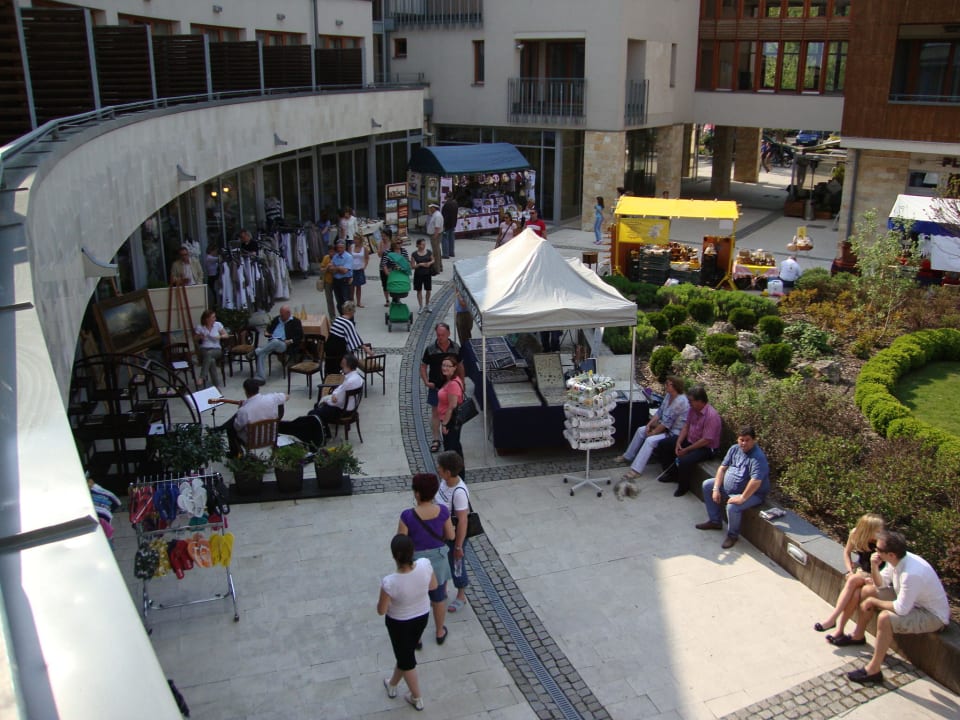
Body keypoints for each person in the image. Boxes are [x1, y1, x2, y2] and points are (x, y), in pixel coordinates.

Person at [840, 531, 950, 685]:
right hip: (912, 602)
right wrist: (874, 566)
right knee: (868, 590)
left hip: (932, 616)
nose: (875, 551)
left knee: (885, 618)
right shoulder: (898, 560)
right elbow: (881, 583)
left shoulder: (911, 574)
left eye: (878, 550)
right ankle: (858, 636)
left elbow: (901, 609)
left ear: (890, 554)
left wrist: (873, 601)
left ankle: (873, 670)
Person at [378, 534, 436, 712]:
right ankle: (392, 684)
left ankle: (416, 697)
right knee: (406, 654)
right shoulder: (425, 565)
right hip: (422, 616)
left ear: (394, 556)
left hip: (399, 622)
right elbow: (433, 586)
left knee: (407, 660)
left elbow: (381, 610)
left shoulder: (390, 582)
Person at [397, 473, 455, 646]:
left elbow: (401, 542)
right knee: (438, 598)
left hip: (416, 564)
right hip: (438, 562)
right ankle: (439, 631)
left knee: (416, 601)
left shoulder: (407, 515)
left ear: (416, 493)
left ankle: (417, 637)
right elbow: (450, 535)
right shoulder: (443, 511)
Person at [695, 425, 769, 549]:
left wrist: (742, 498)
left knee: (733, 506)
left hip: (752, 494)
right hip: (729, 487)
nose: (744, 443)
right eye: (741, 440)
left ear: (754, 440)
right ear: (737, 440)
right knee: (707, 484)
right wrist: (716, 489)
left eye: (747, 440)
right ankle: (715, 521)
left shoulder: (758, 457)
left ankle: (732, 535)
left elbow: (755, 482)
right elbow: (722, 468)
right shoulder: (734, 449)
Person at [814, 513, 886, 635]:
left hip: (878, 575)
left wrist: (862, 577)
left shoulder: (883, 542)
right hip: (863, 571)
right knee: (855, 593)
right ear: (868, 530)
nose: (880, 533)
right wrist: (850, 571)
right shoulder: (855, 533)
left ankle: (832, 618)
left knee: (852, 581)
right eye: (877, 531)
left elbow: (886, 567)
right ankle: (839, 630)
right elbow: (847, 553)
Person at [616, 375, 688, 480]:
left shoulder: (680, 402)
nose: (665, 385)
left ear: (675, 386)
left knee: (650, 440)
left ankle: (636, 470)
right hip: (664, 426)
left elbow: (666, 424)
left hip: (675, 433)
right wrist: (649, 425)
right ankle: (628, 456)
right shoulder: (669, 396)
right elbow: (659, 412)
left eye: (668, 384)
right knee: (641, 430)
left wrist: (653, 433)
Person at [658, 384, 722, 497]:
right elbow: (686, 426)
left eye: (691, 401)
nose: (689, 403)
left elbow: (706, 440)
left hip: (706, 448)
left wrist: (686, 450)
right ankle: (671, 474)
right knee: (664, 444)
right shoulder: (692, 410)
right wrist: (678, 442)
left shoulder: (711, 416)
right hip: (691, 440)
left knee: (685, 461)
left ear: (700, 401)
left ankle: (683, 487)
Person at [435, 451, 470, 614]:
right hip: (442, 533)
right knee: (442, 563)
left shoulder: (459, 492)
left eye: (440, 469)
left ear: (448, 472)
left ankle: (461, 595)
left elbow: (463, 520)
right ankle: (443, 588)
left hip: (454, 536)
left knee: (457, 566)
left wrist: (458, 546)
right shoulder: (445, 483)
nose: (438, 470)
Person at [421, 323, 461, 453]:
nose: (440, 337)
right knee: (436, 413)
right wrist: (426, 381)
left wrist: (462, 383)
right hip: (436, 387)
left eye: (442, 335)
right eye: (438, 335)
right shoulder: (431, 348)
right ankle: (436, 439)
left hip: (451, 387)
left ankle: (449, 435)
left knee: (451, 410)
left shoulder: (455, 347)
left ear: (449, 334)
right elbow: (423, 366)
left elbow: (460, 366)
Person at [222, 377, 287, 457]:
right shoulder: (271, 398)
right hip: (271, 437)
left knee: (230, 428)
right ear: (258, 389)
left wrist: (242, 408)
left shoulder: (244, 410)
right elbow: (286, 397)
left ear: (246, 391)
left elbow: (237, 427)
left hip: (251, 441)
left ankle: (236, 453)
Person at [311, 354, 363, 441]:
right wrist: (334, 395)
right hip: (348, 407)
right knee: (317, 406)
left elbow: (337, 401)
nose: (341, 366)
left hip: (342, 410)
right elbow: (339, 390)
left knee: (313, 413)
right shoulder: (357, 377)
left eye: (343, 364)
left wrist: (326, 400)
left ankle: (320, 437)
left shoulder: (349, 382)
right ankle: (326, 432)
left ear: (348, 366)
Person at [250, 305, 303, 381]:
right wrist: (267, 332)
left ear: (288, 313)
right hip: (272, 342)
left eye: (283, 315)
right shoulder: (277, 319)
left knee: (274, 342)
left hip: (283, 344)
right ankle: (260, 377)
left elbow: (299, 336)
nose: (281, 317)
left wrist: (290, 341)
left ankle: (256, 351)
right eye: (280, 314)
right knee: (262, 353)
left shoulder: (295, 321)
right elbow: (269, 329)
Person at [438, 357, 465, 462]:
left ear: (454, 368)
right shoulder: (449, 380)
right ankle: (457, 473)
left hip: (451, 421)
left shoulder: (453, 384)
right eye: (443, 365)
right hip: (449, 419)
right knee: (455, 447)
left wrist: (444, 424)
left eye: (448, 366)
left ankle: (454, 473)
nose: (445, 368)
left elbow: (452, 406)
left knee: (451, 449)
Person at [194, 309, 229, 388]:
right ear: (207, 319)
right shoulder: (200, 327)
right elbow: (195, 339)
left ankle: (201, 377)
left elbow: (226, 335)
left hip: (216, 349)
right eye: (213, 317)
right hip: (204, 349)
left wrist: (219, 336)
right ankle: (216, 386)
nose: (215, 319)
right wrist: (200, 337)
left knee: (209, 354)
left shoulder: (218, 325)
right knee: (211, 360)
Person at [410, 237, 434, 314]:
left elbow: (433, 260)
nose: (424, 246)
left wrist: (429, 263)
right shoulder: (414, 254)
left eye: (424, 244)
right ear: (418, 245)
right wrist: (420, 264)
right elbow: (412, 266)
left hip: (427, 274)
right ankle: (421, 306)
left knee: (428, 290)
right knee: (419, 290)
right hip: (418, 274)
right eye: (422, 244)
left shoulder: (428, 252)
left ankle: (427, 304)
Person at [330, 238, 353, 315]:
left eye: (341, 247)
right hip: (336, 281)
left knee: (346, 302)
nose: (339, 249)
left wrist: (336, 268)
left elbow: (345, 271)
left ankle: (349, 319)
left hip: (345, 281)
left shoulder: (348, 257)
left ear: (344, 248)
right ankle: (342, 317)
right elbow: (331, 269)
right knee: (339, 302)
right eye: (338, 247)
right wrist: (339, 268)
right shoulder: (335, 256)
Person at [318, 245, 338, 319]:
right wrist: (327, 267)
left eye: (333, 251)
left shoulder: (337, 258)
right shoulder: (326, 258)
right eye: (330, 251)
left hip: (336, 281)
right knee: (329, 300)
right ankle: (332, 317)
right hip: (327, 282)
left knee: (339, 299)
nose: (331, 253)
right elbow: (322, 270)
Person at [349, 236, 369, 307]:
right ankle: (351, 301)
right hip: (352, 269)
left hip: (360, 269)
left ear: (360, 240)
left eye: (356, 239)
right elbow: (349, 256)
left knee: (358, 286)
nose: (355, 240)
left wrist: (365, 266)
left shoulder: (364, 248)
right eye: (354, 239)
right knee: (351, 286)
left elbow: (367, 258)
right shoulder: (351, 247)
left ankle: (358, 302)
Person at [426, 203, 444, 274]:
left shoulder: (437, 216)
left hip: (435, 235)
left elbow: (437, 227)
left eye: (431, 208)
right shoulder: (435, 214)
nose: (429, 209)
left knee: (436, 253)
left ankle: (437, 269)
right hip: (435, 235)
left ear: (434, 208)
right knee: (437, 251)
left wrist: (435, 236)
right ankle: (440, 266)